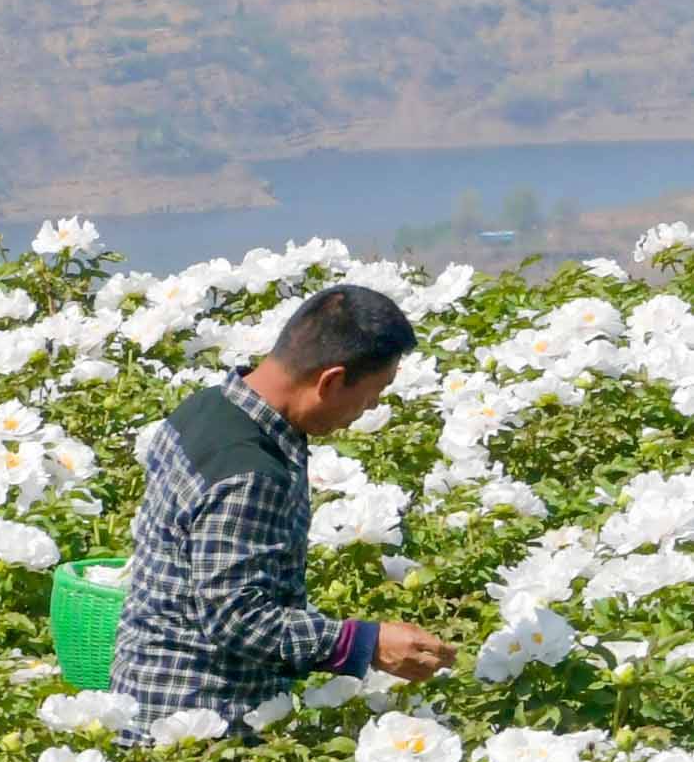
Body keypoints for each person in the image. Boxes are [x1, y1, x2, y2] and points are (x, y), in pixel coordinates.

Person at [114, 282, 455, 738]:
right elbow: (237, 618)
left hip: (146, 684)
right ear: (331, 380)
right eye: (375, 392)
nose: (372, 407)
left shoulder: (205, 408)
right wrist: (365, 644)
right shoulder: (248, 473)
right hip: (201, 722)